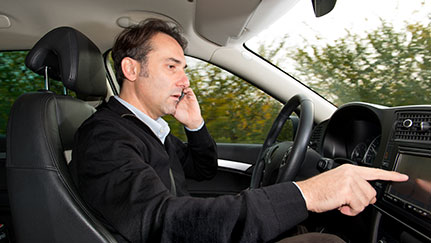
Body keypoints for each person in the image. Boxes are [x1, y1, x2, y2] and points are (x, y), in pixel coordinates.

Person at [69, 19, 408, 243]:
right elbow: (164, 223)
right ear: (131, 68)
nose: (184, 80)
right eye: (171, 66)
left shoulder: (144, 129)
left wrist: (195, 125)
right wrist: (309, 193)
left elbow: (201, 170)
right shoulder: (106, 137)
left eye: (184, 68)